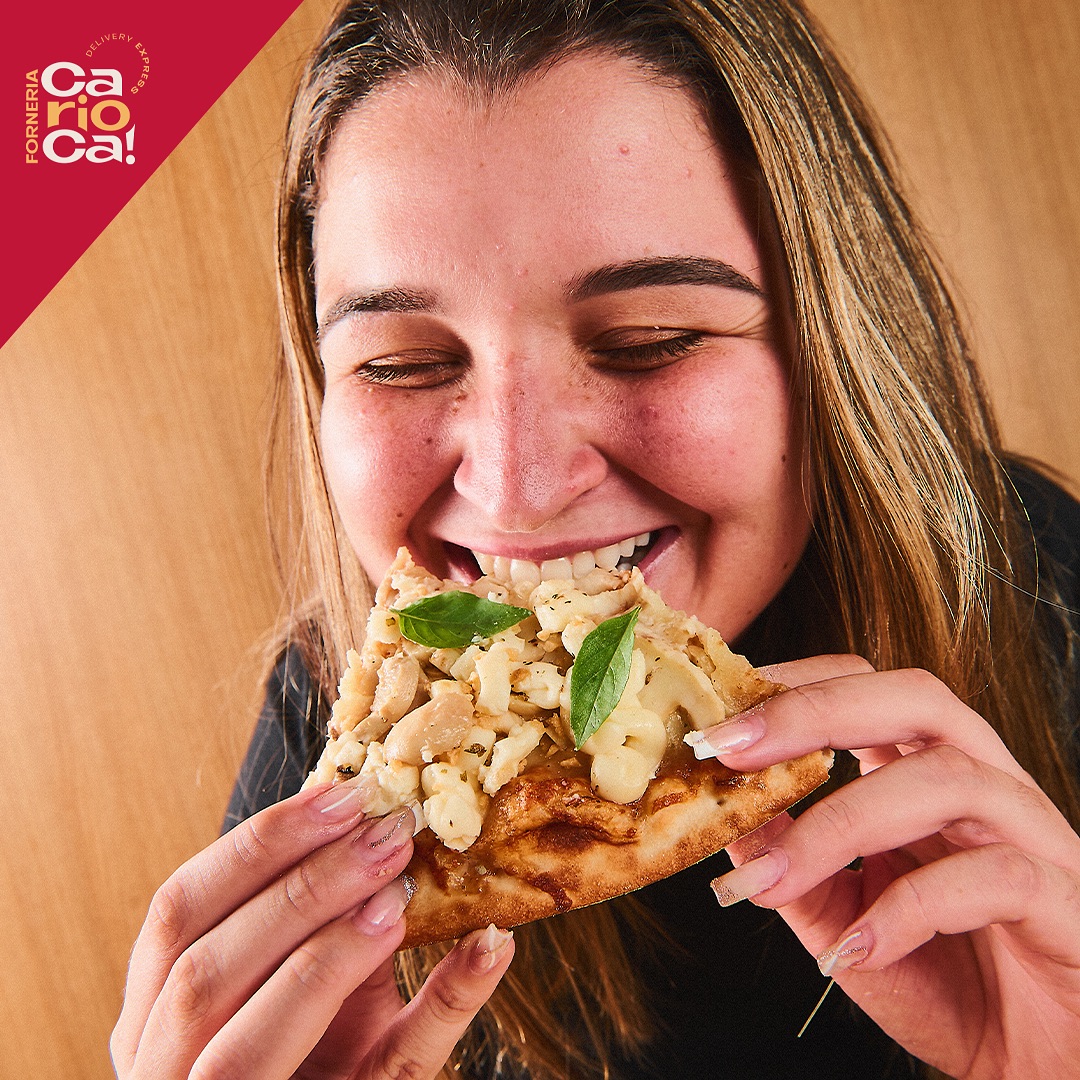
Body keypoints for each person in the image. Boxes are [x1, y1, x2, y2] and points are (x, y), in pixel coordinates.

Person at [110, 1, 1080, 1077]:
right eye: (400, 364)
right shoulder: (333, 711)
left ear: (831, 344)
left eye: (648, 341)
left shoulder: (1043, 579)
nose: (518, 492)